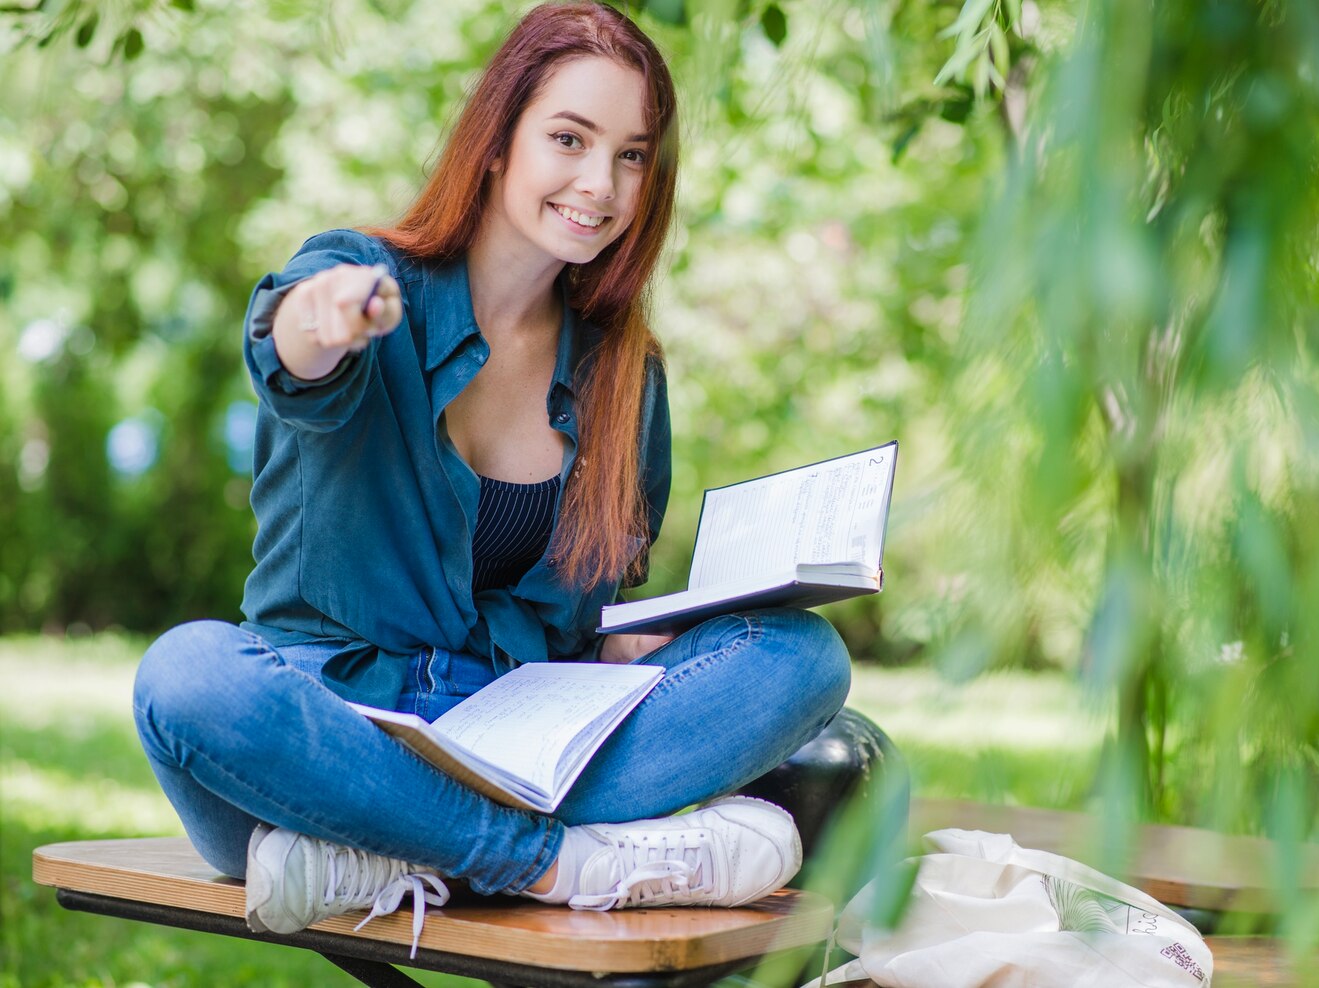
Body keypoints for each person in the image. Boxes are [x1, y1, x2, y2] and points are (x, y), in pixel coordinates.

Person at [130, 0, 851, 957]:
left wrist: (635, 649)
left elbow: (583, 625)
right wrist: (327, 318)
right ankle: (557, 866)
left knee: (805, 660)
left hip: (519, 747)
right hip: (330, 742)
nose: (601, 182)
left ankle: (384, 862)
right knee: (185, 677)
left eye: (632, 155)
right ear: (499, 140)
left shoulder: (624, 377)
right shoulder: (363, 278)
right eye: (569, 138)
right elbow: (291, 346)